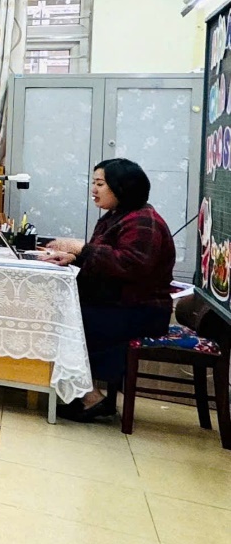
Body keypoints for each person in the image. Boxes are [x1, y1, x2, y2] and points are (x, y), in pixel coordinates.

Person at [38, 158, 176, 422]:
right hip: (119, 304)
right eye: (93, 183)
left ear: (122, 187)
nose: (94, 190)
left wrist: (81, 249)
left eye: (100, 184)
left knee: (64, 324)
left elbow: (130, 264)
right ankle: (77, 392)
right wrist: (74, 258)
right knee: (58, 314)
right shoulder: (116, 217)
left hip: (139, 310)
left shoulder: (143, 221)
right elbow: (106, 259)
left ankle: (91, 398)